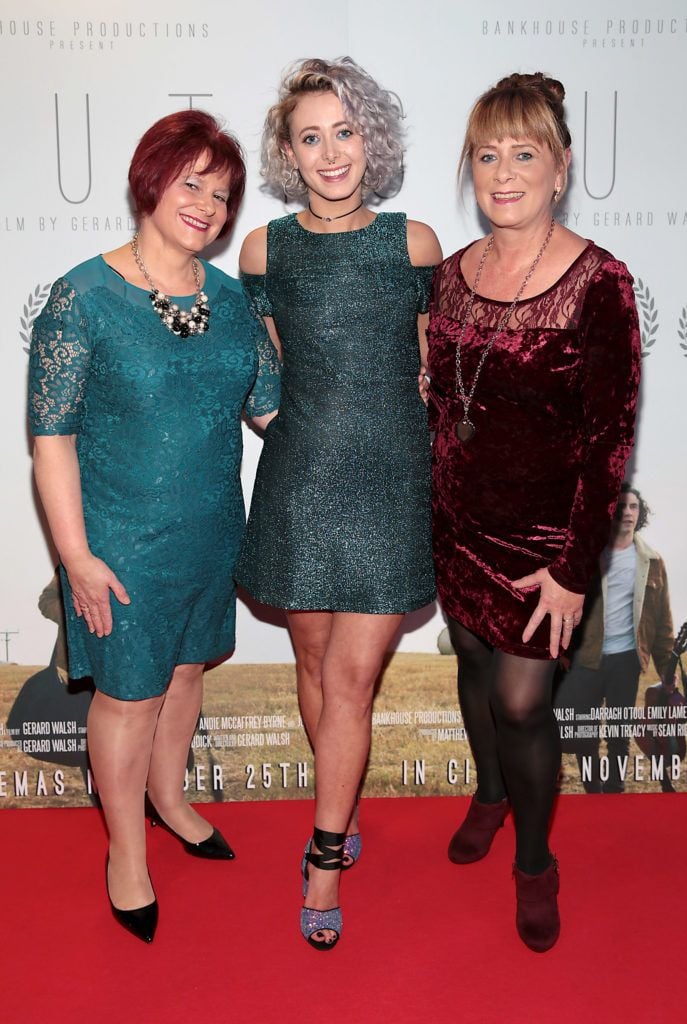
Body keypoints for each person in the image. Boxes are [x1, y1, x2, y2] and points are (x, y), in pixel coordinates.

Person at [28, 110, 280, 943]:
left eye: (222, 191)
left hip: (212, 533)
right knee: (130, 699)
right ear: (151, 180)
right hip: (119, 546)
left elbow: (273, 410)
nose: (207, 203)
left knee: (186, 674)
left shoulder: (235, 303)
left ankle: (171, 799)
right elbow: (52, 442)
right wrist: (76, 558)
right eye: (191, 182)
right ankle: (125, 851)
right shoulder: (83, 298)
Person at [426, 73, 641, 952]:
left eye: (523, 154)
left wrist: (571, 565)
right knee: (473, 667)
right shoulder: (446, 277)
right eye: (487, 155)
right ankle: (486, 794)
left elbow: (610, 443)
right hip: (456, 520)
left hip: (545, 543)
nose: (503, 173)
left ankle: (534, 861)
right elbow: (442, 401)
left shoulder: (601, 283)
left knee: (521, 703)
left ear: (558, 169)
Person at [235, 57, 442, 951]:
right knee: (316, 672)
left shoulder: (414, 244)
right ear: (288, 151)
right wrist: (276, 414)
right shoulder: (264, 250)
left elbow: (432, 363)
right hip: (302, 478)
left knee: (352, 679)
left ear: (372, 140)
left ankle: (323, 853)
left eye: (344, 132)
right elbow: (264, 357)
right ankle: (339, 801)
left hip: (391, 479)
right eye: (310, 137)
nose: (329, 153)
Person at [555, 484, 674, 792]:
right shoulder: (589, 556)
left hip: (627, 659)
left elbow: (662, 621)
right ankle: (593, 789)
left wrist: (666, 669)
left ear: (640, 513)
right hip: (587, 658)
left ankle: (615, 788)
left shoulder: (652, 561)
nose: (628, 513)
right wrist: (562, 651)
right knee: (586, 731)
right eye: (621, 507)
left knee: (620, 729)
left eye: (633, 506)